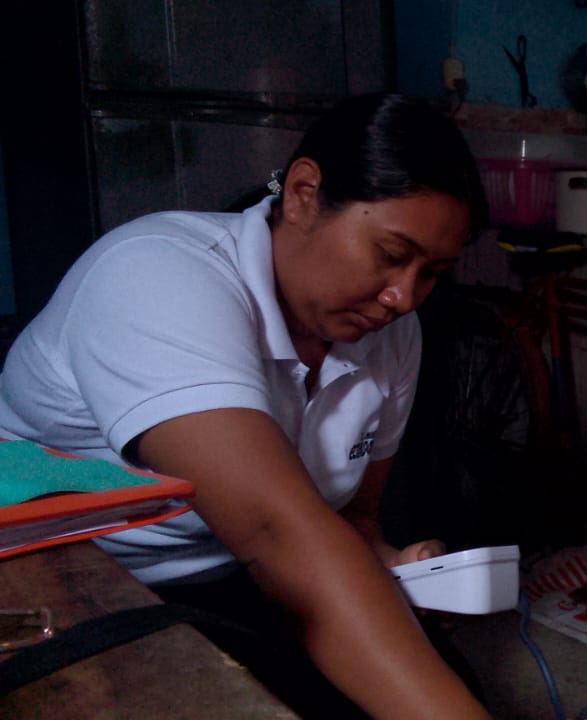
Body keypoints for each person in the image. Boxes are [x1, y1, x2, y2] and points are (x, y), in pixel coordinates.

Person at [0, 93, 492, 719]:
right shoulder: (155, 275)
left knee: (439, 688)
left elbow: (351, 516)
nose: (404, 296)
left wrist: (393, 564)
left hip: (237, 573)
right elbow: (273, 530)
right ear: (303, 194)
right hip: (67, 581)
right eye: (392, 256)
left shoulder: (391, 334)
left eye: (432, 273)